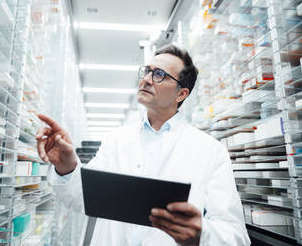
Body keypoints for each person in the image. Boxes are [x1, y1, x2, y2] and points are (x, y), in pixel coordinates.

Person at [36, 44, 251, 246]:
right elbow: (83, 199)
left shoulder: (210, 151)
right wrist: (67, 167)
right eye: (147, 71)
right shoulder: (116, 140)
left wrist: (201, 235)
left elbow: (236, 235)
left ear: (181, 93)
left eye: (159, 75)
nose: (147, 79)